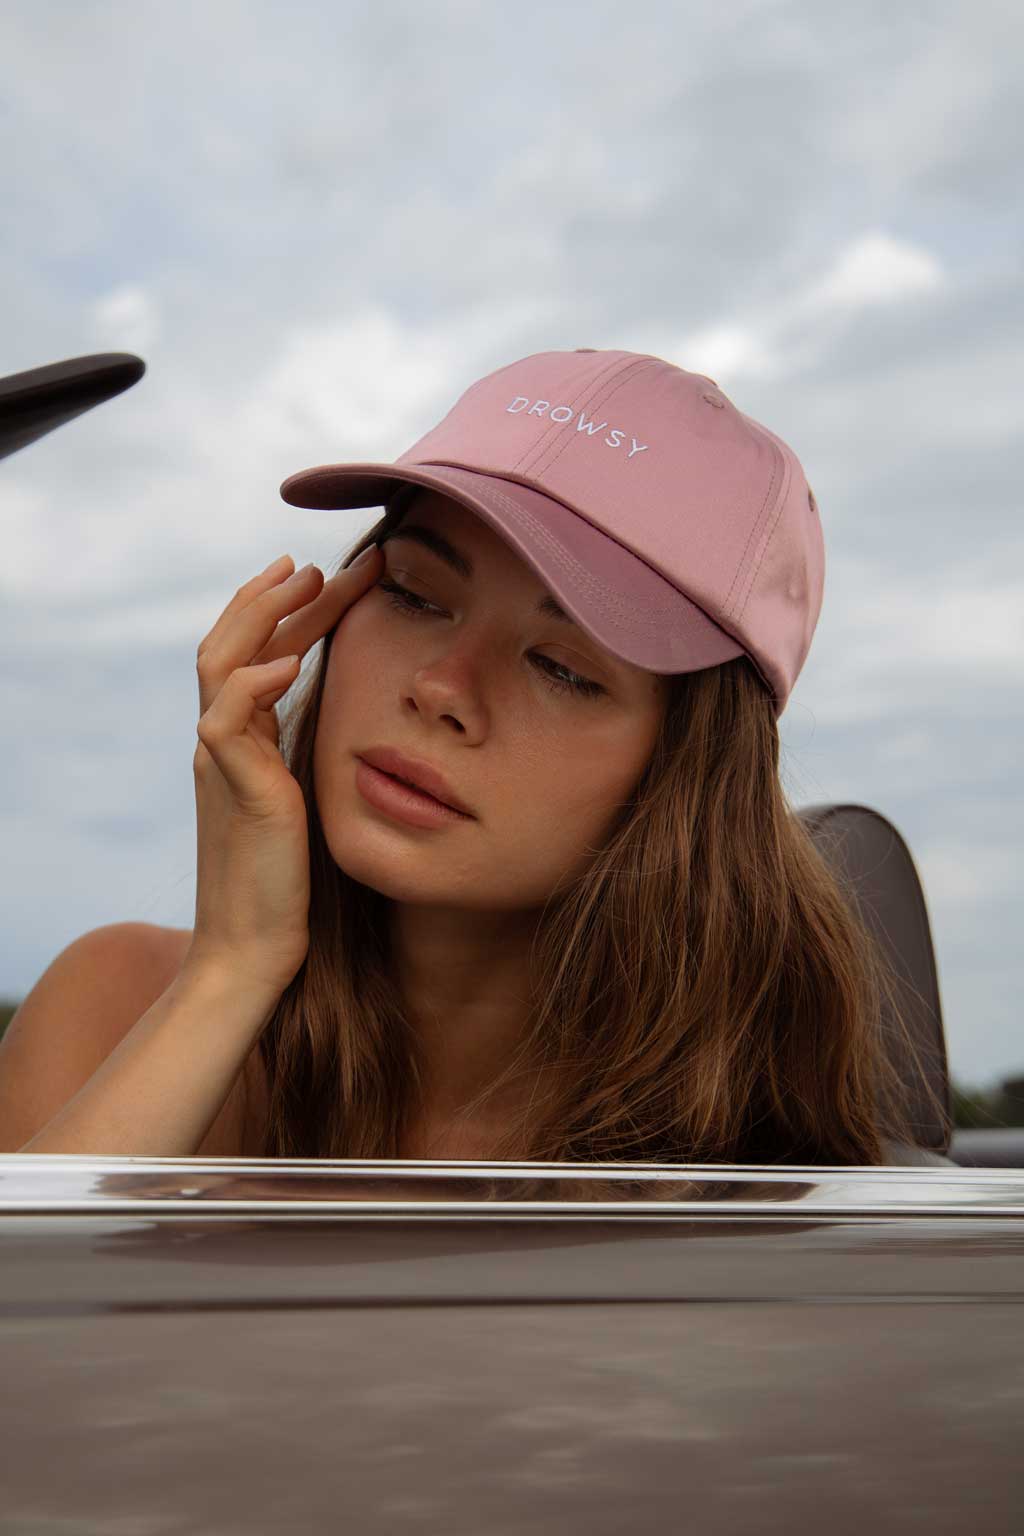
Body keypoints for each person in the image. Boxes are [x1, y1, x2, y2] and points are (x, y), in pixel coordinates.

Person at [1, 347, 934, 1164]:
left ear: (687, 774)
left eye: (563, 669)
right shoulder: (117, 1002)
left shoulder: (752, 1153)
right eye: (414, 594)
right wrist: (231, 971)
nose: (443, 688)